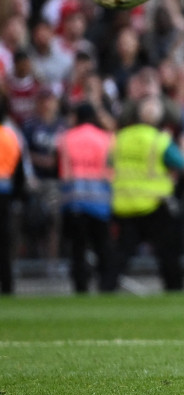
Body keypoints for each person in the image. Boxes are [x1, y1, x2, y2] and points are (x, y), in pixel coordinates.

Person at [107, 96, 184, 293]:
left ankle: (106, 289)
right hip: (155, 203)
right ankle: (174, 291)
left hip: (124, 203)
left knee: (121, 255)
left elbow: (109, 163)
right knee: (168, 254)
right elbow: (181, 163)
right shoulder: (160, 140)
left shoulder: (121, 137)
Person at [58, 102, 113, 294]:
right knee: (102, 247)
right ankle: (106, 286)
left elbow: (64, 173)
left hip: (75, 200)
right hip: (100, 201)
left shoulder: (66, 138)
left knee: (77, 249)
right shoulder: (106, 138)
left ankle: (81, 287)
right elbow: (110, 173)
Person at [0, 97, 26, 295]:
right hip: (5, 196)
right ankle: (8, 287)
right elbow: (19, 173)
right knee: (4, 245)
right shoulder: (11, 137)